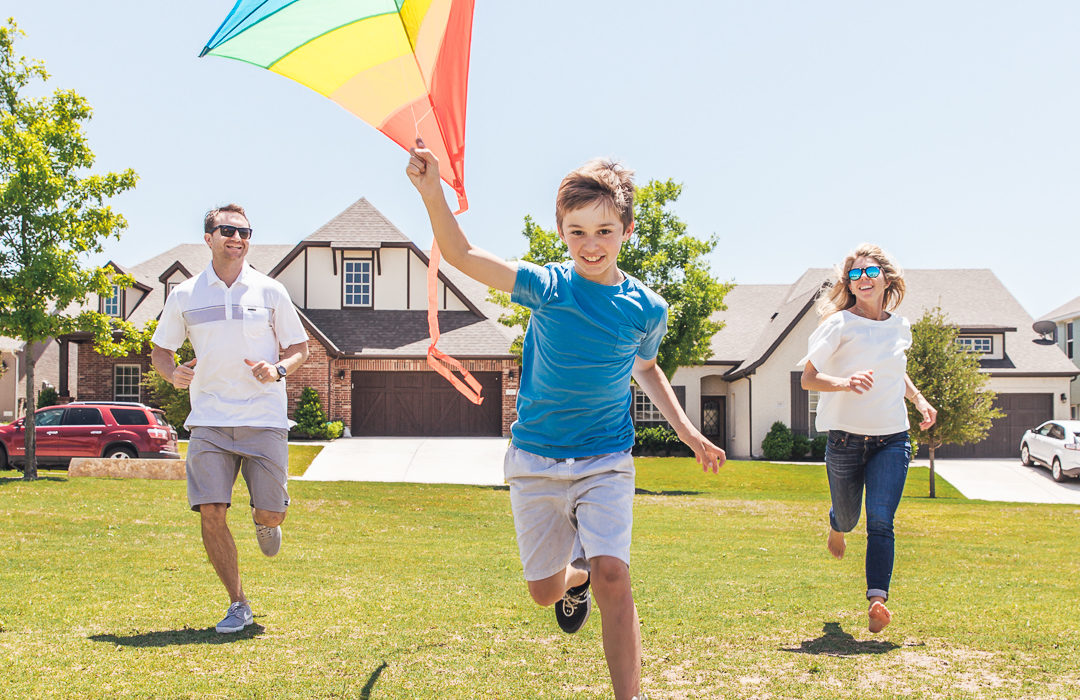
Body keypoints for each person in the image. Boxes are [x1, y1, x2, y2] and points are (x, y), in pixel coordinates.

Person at [407, 141, 725, 700]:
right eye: (577, 231)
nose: (590, 244)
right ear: (562, 232)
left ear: (626, 229)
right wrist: (432, 188)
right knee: (542, 590)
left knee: (614, 576)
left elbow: (646, 369)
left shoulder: (647, 308)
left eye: (604, 230)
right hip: (536, 457)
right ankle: (571, 577)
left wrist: (689, 433)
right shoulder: (548, 285)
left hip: (605, 457)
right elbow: (461, 253)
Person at [150, 204, 309, 634]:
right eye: (227, 231)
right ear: (209, 238)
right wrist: (172, 372)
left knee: (272, 515)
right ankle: (238, 602)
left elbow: (300, 349)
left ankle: (265, 519)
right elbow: (161, 351)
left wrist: (276, 369)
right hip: (209, 422)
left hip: (264, 420)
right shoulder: (184, 296)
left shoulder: (271, 291)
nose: (237, 238)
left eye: (244, 232)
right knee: (210, 513)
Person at [800, 243, 936, 634]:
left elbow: (896, 371)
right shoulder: (838, 324)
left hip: (892, 438)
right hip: (845, 439)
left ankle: (877, 601)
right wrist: (845, 382)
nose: (862, 279)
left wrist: (921, 401)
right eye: (854, 274)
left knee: (881, 520)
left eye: (869, 272)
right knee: (849, 515)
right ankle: (837, 525)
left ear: (887, 278)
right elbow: (809, 378)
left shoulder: (900, 325)